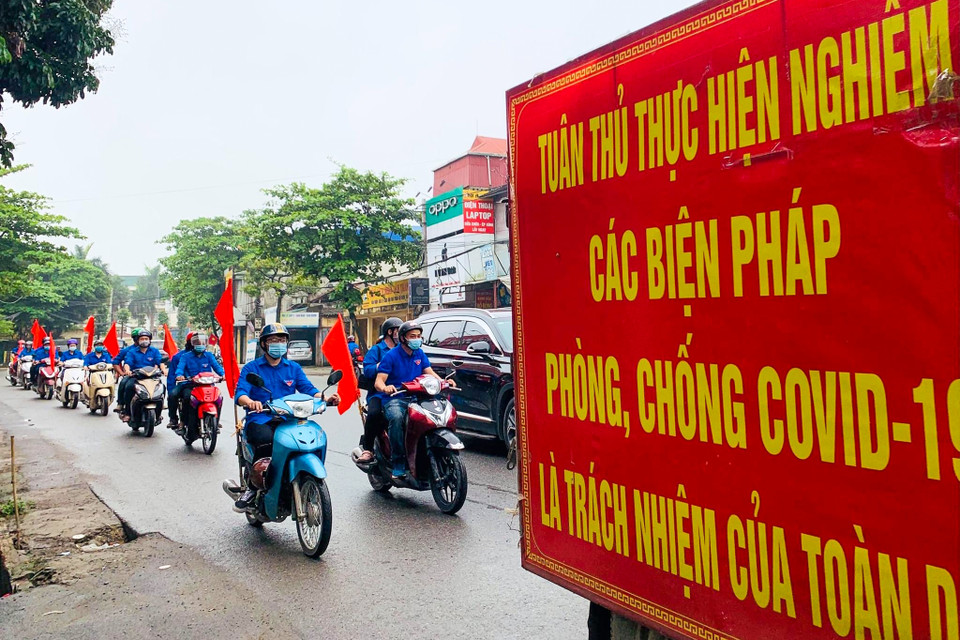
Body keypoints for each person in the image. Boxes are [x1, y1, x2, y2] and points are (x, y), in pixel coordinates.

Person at [233, 323, 339, 509]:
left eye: (282, 340)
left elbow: (308, 388)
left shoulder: (293, 367)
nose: (278, 344)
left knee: (311, 437)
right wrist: (250, 402)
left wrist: (324, 398)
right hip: (261, 418)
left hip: (289, 419)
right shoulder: (252, 368)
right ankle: (252, 486)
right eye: (273, 340)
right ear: (264, 344)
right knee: (265, 440)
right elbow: (240, 393)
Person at [374, 320, 455, 479]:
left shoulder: (419, 354)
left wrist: (444, 381)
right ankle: (398, 463)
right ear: (403, 338)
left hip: (418, 397)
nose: (416, 339)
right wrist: (386, 388)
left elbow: (429, 371)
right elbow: (379, 381)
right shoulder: (391, 356)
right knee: (397, 419)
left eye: (418, 336)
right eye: (412, 336)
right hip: (396, 398)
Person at [356, 317, 402, 463]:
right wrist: (382, 365)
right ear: (390, 332)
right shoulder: (376, 350)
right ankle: (368, 449)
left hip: (402, 393)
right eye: (398, 331)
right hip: (379, 393)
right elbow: (368, 370)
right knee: (374, 414)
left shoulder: (404, 349)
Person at [172, 333, 224, 431]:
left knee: (219, 398)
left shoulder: (209, 356)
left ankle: (216, 421)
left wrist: (223, 375)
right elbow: (180, 368)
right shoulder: (185, 356)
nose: (200, 345)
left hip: (208, 386)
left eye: (202, 343)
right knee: (187, 398)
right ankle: (183, 422)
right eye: (197, 343)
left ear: (206, 344)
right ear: (192, 344)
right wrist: (179, 375)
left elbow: (217, 367)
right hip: (190, 385)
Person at [118, 330, 165, 421]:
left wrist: (163, 370)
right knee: (129, 387)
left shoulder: (154, 351)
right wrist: (127, 370)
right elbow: (127, 363)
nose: (144, 340)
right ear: (138, 340)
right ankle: (127, 412)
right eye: (142, 339)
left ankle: (159, 412)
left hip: (152, 377)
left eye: (146, 339)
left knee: (162, 387)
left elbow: (159, 362)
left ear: (150, 340)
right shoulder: (132, 352)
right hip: (136, 377)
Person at [165, 332, 192, 428]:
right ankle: (174, 419)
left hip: (203, 385)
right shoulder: (180, 357)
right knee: (174, 396)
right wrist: (171, 389)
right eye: (196, 341)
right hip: (185, 384)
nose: (199, 344)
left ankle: (214, 419)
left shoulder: (207, 355)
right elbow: (173, 374)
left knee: (217, 396)